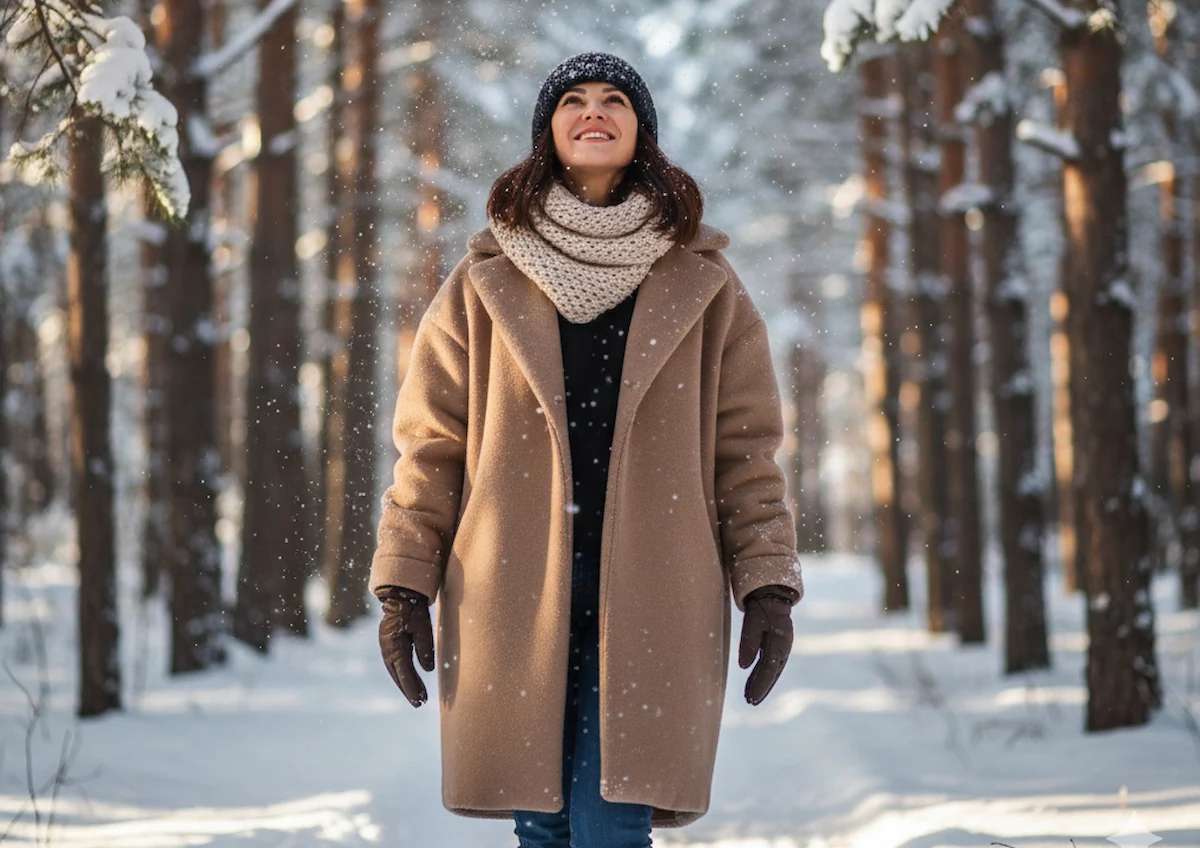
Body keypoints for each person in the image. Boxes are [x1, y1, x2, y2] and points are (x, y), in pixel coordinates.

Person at [370, 51, 805, 848]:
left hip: (655, 593)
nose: (593, 111)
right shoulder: (480, 283)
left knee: (612, 826)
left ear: (642, 132)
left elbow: (745, 455)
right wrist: (403, 585)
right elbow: (431, 446)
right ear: (549, 132)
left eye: (614, 100)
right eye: (573, 100)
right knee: (543, 827)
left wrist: (768, 582)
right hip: (512, 592)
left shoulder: (705, 284)